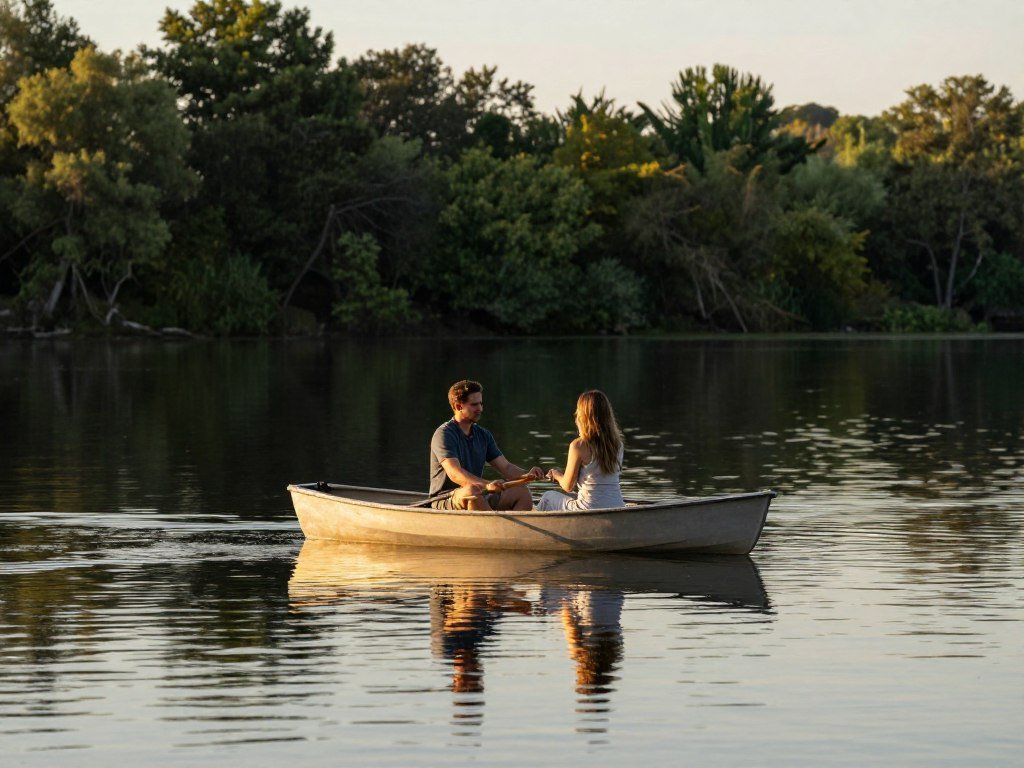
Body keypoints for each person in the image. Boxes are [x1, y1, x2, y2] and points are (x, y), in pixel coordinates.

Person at [429, 379, 543, 510]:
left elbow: (506, 467)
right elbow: (455, 473)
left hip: (479, 493)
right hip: (445, 499)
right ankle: (495, 528)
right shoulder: (444, 434)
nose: (480, 409)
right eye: (474, 405)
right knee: (471, 491)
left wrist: (528, 475)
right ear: (459, 406)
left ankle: (514, 530)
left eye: (481, 404)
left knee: (522, 492)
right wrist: (487, 485)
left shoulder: (483, 435)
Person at [537, 390, 625, 511]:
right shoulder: (618, 444)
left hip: (589, 508)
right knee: (571, 497)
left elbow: (567, 486)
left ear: (583, 417)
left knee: (548, 497)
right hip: (618, 505)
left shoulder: (578, 445)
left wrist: (557, 475)